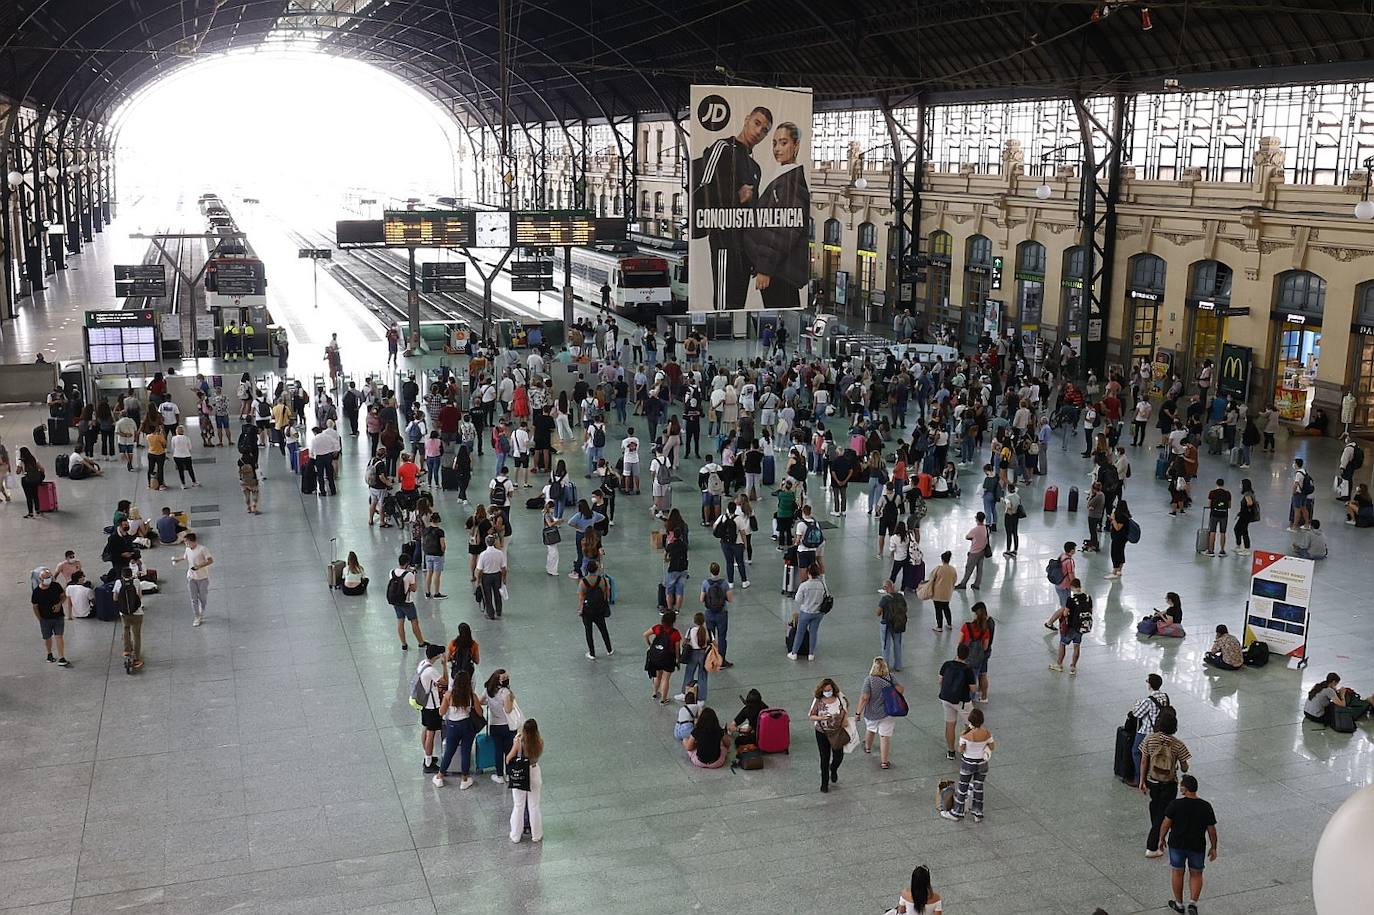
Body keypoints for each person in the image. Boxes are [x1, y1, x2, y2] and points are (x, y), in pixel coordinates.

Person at [697, 104, 771, 310]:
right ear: (746, 119)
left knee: (737, 304)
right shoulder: (722, 148)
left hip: (744, 249)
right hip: (724, 243)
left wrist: (756, 256)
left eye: (765, 130)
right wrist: (735, 197)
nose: (759, 132)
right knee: (724, 304)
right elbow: (701, 189)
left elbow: (753, 214)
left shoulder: (755, 167)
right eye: (757, 123)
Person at [743, 121, 810, 310]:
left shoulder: (790, 183)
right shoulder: (782, 177)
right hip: (777, 270)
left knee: (781, 316)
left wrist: (765, 268)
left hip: (779, 273)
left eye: (783, 143)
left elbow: (783, 230)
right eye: (774, 143)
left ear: (796, 145)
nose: (777, 149)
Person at [1158, 774, 1219, 914]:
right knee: (1196, 874)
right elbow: (1212, 830)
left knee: (1177, 872)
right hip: (1197, 846)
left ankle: (1179, 904)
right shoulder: (1205, 806)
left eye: (1181, 785)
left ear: (1184, 788)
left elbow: (1166, 824)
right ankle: (1192, 904)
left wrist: (1161, 839)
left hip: (1177, 845)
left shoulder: (1175, 804)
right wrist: (1214, 847)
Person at [1139, 706, 1190, 858]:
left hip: (1152, 780)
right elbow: (1185, 767)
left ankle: (1158, 832)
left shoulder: (1150, 739)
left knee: (1156, 808)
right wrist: (1183, 765)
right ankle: (1152, 846)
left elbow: (1143, 760)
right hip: (1169, 783)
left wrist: (1142, 780)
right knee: (1164, 814)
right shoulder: (1178, 744)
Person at [941, 706, 995, 823]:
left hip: (968, 763)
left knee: (963, 788)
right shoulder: (987, 733)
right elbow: (992, 747)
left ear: (970, 721)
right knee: (978, 788)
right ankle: (977, 813)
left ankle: (957, 813)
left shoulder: (965, 735)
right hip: (982, 764)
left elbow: (961, 750)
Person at [433, 669, 485, 788]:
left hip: (453, 726)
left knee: (449, 751)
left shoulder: (449, 695)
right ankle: (464, 779)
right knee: (465, 752)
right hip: (467, 726)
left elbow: (441, 712)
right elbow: (480, 713)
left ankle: (440, 776)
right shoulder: (472, 695)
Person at [855, 657, 902, 769]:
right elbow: (901, 690)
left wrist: (858, 712)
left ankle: (867, 747)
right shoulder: (890, 677)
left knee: (870, 729)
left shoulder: (869, 680)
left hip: (872, 712)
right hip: (888, 712)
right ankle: (884, 762)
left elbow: (865, 697)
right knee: (884, 737)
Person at [1126, 673, 1172, 784]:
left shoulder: (1149, 700)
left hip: (1147, 732)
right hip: (1161, 731)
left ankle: (1138, 779)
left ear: (1150, 685)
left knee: (1136, 751)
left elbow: (1137, 714)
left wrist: (1136, 705)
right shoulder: (1165, 696)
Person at [506, 718, 544, 843]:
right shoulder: (540, 742)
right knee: (534, 806)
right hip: (534, 771)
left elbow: (508, 758)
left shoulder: (519, 743)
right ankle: (536, 835)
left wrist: (515, 742)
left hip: (521, 774)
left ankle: (516, 835)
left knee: (519, 805)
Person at [808, 677, 849, 792]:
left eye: (829, 689)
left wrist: (845, 719)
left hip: (837, 732)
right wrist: (821, 718)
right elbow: (811, 715)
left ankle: (834, 768)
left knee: (838, 756)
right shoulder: (818, 700)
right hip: (822, 732)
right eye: (825, 690)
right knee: (824, 758)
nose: (827, 692)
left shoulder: (840, 698)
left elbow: (845, 708)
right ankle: (824, 783)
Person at [938, 643, 976, 761]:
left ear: (957, 652)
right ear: (967, 655)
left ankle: (950, 751)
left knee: (950, 725)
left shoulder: (947, 665)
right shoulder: (968, 670)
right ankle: (967, 749)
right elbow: (973, 689)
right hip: (962, 701)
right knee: (970, 725)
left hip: (946, 698)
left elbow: (940, 680)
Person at [1044, 578, 1091, 674]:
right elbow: (1091, 610)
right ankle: (1073, 667)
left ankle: (1059, 664)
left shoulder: (1071, 599)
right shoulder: (1088, 597)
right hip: (1081, 627)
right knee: (1077, 646)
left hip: (1071, 627)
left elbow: (1065, 613)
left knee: (1063, 644)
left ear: (1072, 587)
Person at [386, 553, 428, 650]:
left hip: (395, 601)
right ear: (407, 563)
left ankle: (404, 644)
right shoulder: (409, 574)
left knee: (400, 621)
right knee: (414, 621)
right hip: (407, 602)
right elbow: (414, 589)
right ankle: (421, 642)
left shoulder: (392, 572)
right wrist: (412, 576)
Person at [171, 532, 213, 627]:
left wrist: (199, 566)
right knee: (193, 598)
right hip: (191, 577)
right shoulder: (187, 549)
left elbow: (210, 560)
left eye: (187, 542)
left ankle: (202, 610)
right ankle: (197, 616)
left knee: (203, 597)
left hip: (202, 577)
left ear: (192, 541)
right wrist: (177, 560)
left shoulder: (202, 549)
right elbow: (185, 557)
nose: (186, 543)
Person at [416, 644, 446, 772]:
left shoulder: (422, 664)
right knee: (431, 734)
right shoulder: (431, 671)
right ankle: (428, 764)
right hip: (432, 706)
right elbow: (445, 681)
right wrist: (444, 665)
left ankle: (427, 756)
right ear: (436, 656)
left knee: (426, 728)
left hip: (423, 703)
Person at [483, 669, 516, 784]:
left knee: (498, 750)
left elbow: (481, 701)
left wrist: (491, 703)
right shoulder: (506, 693)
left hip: (494, 725)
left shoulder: (488, 691)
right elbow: (508, 709)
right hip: (507, 726)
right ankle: (509, 774)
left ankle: (499, 775)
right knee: (509, 750)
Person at [788, 563, 827, 661]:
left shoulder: (804, 585)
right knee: (813, 632)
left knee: (800, 633)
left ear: (808, 573)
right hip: (818, 613)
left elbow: (798, 599)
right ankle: (811, 654)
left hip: (806, 612)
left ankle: (794, 653)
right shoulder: (822, 584)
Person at [698, 563, 733, 675]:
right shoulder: (724, 583)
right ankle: (721, 661)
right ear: (719, 571)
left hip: (709, 613)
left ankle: (710, 659)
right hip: (722, 613)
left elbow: (701, 599)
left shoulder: (705, 583)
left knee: (710, 637)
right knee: (722, 637)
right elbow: (730, 599)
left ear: (710, 571)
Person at [31, 569, 70, 666]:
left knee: (59, 636)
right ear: (40, 579)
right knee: (47, 637)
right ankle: (49, 654)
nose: (48, 579)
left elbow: (63, 596)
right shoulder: (37, 592)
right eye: (46, 578)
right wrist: (40, 618)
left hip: (58, 617)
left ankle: (61, 657)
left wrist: (59, 604)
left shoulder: (56, 586)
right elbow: (35, 606)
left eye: (49, 577)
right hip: (45, 618)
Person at [578, 560, 614, 659]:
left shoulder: (583, 582)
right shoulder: (602, 580)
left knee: (588, 631)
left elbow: (581, 597)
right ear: (596, 569)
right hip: (599, 609)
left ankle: (592, 653)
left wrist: (580, 609)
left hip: (587, 610)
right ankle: (609, 649)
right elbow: (606, 594)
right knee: (603, 629)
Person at [959, 602, 995, 702]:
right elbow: (985, 645)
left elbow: (960, 641)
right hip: (983, 653)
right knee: (982, 674)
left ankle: (972, 696)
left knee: (974, 676)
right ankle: (983, 696)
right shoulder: (989, 623)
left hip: (971, 655)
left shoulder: (969, 626)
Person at [644, 610, 682, 702]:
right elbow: (677, 649)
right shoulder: (675, 633)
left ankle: (654, 693)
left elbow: (645, 635)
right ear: (673, 622)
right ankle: (663, 699)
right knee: (665, 679)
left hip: (656, 657)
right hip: (668, 658)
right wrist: (678, 660)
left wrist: (650, 646)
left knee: (657, 676)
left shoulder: (658, 628)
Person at [113, 567, 144, 669]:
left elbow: (115, 598)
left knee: (126, 629)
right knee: (136, 635)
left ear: (122, 575)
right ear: (131, 574)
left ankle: (127, 650)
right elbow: (139, 596)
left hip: (124, 613)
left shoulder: (118, 582)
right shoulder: (136, 581)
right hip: (137, 613)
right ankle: (137, 658)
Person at [876, 580, 908, 672]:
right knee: (897, 644)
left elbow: (878, 612)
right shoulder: (900, 597)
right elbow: (905, 609)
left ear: (886, 588)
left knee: (886, 645)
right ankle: (898, 666)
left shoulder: (885, 599)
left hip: (886, 624)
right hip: (898, 623)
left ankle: (885, 667)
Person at [475, 535, 508, 620]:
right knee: (498, 594)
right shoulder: (499, 553)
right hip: (497, 575)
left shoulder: (483, 554)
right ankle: (499, 611)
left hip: (486, 577)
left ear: (486, 542)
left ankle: (490, 613)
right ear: (494, 542)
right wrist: (504, 578)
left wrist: (478, 581)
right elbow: (504, 568)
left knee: (487, 595)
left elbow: (479, 570)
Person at [420, 512, 448, 599]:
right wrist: (443, 552)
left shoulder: (425, 530)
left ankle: (427, 593)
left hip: (427, 554)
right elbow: (442, 545)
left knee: (429, 573)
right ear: (438, 520)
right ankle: (436, 593)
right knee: (437, 574)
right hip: (437, 555)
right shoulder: (440, 531)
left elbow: (423, 541)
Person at [929, 550, 957, 632]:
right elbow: (954, 580)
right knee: (946, 608)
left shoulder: (938, 569)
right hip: (947, 593)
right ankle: (949, 624)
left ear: (942, 559)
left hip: (938, 593)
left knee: (938, 610)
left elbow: (931, 578)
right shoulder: (952, 569)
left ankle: (939, 626)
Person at [1204, 477, 1231, 556]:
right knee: (1223, 532)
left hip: (1214, 514)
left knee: (1212, 532)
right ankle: (1222, 550)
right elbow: (1229, 506)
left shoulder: (1212, 493)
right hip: (1224, 515)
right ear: (1223, 484)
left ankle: (1211, 550)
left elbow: (1209, 504)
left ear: (1216, 484)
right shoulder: (1228, 493)